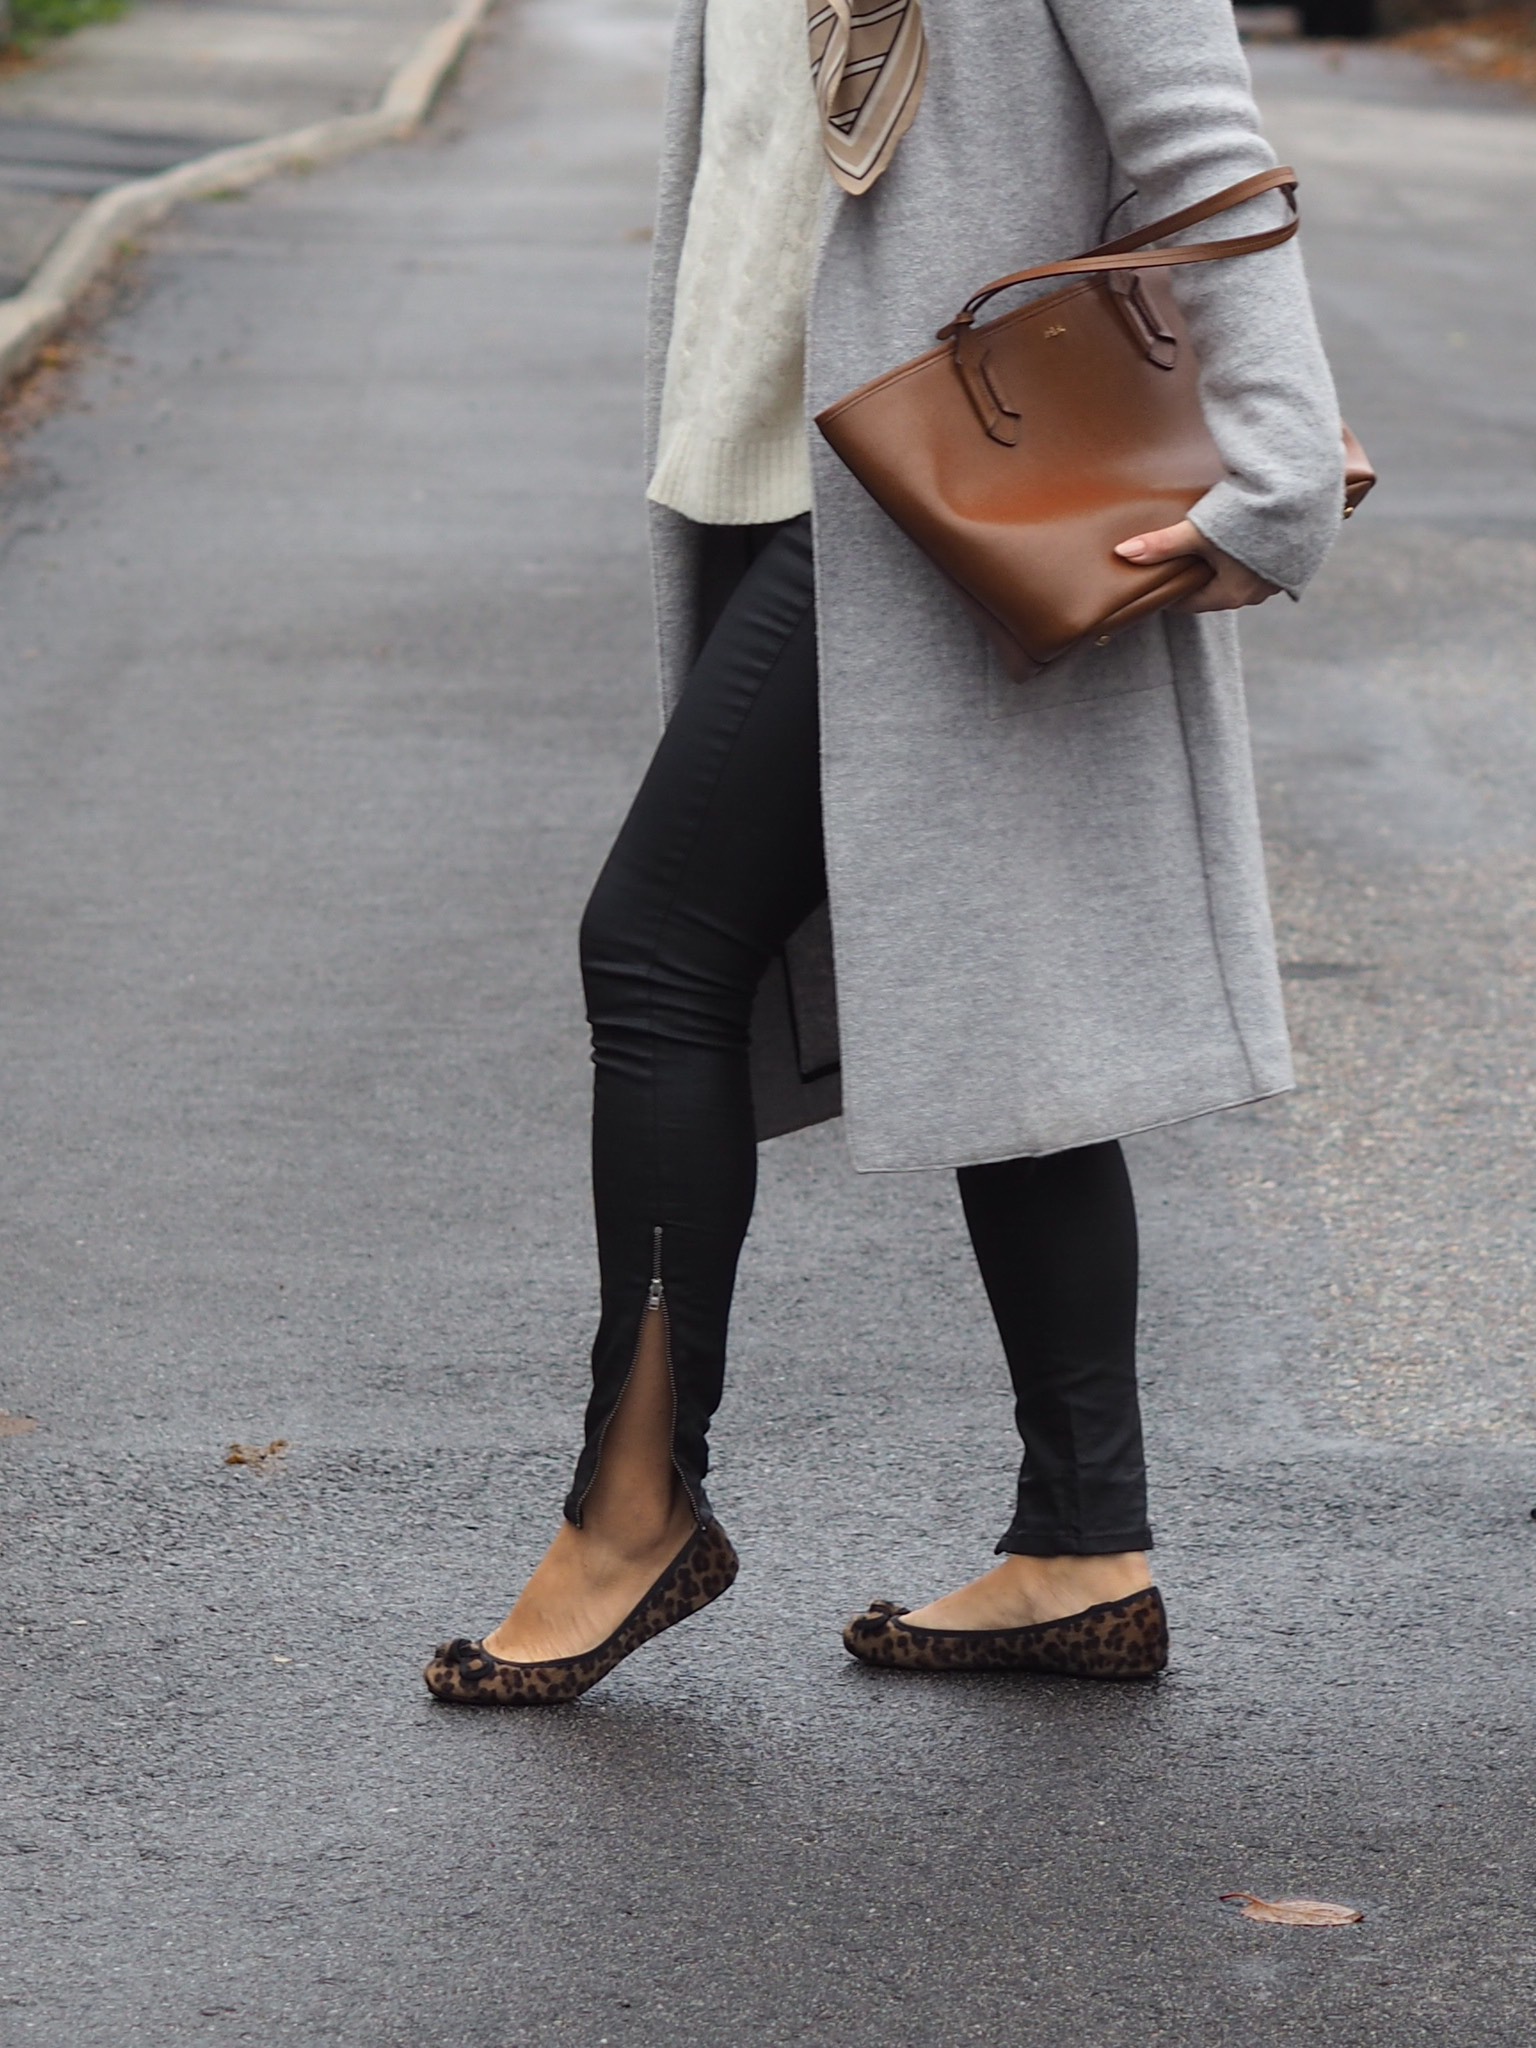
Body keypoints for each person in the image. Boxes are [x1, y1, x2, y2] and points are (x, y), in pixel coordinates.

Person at [424, 0, 1343, 1707]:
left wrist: (1276, 477)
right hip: (776, 463)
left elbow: (1200, 138)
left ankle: (633, 1508)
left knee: (657, 950)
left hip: (946, 474)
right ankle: (1081, 1544)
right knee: (1004, 987)